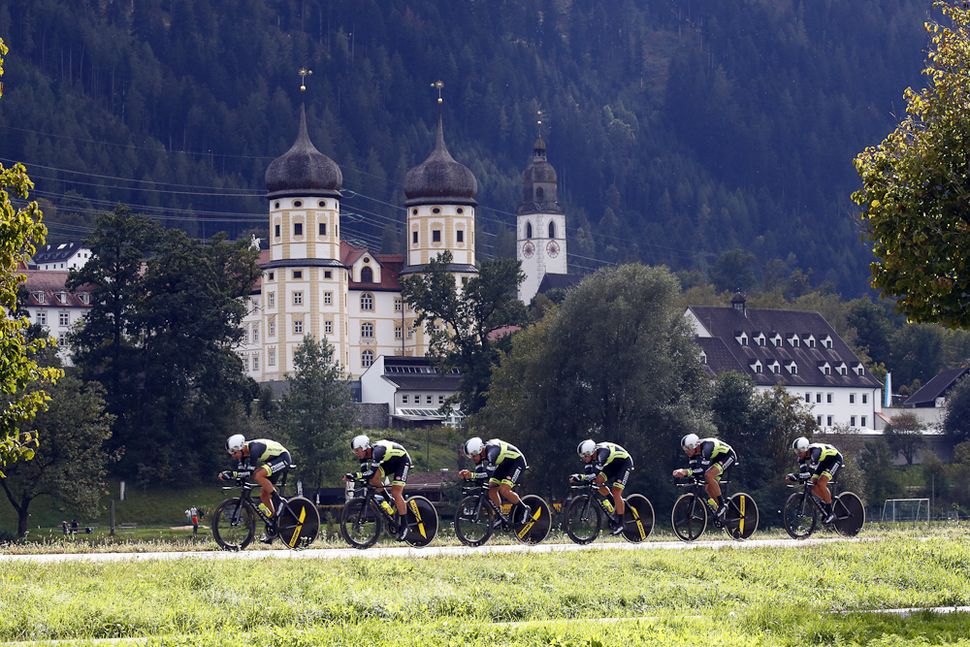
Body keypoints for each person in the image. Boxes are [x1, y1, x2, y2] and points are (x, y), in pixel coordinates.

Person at [219, 434, 291, 543]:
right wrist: (232, 477)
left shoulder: (254, 449)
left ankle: (279, 500)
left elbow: (249, 473)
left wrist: (231, 474)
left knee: (258, 475)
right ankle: (274, 524)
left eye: (234, 453)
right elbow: (241, 474)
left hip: (283, 457)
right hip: (273, 461)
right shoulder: (242, 456)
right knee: (264, 496)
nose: (233, 456)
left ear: (241, 448)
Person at [343, 435, 412, 541]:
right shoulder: (363, 456)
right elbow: (365, 473)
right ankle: (389, 499)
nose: (356, 453)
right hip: (390, 462)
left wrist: (355, 475)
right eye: (354, 451)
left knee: (396, 492)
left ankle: (405, 526)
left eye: (357, 450)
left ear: (364, 447)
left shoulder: (377, 451)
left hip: (402, 461)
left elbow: (369, 472)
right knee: (373, 479)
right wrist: (357, 477)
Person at [458, 437, 530, 525]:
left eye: (474, 456)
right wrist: (469, 477)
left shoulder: (492, 453)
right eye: (471, 457)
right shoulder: (479, 455)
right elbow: (479, 473)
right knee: (491, 489)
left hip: (517, 462)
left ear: (480, 451)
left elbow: (488, 474)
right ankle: (501, 516)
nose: (473, 459)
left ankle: (525, 508)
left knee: (504, 490)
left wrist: (471, 475)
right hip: (504, 465)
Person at [574, 439, 634, 535]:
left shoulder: (603, 454)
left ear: (591, 452)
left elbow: (594, 473)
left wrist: (580, 477)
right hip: (612, 464)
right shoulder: (590, 456)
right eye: (582, 457)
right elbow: (589, 475)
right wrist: (581, 479)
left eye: (585, 456)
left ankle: (621, 524)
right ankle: (614, 503)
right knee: (597, 481)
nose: (584, 459)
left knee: (616, 491)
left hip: (624, 463)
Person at [672, 433, 737, 520]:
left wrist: (685, 472)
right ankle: (723, 510)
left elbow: (702, 471)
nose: (686, 452)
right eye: (685, 449)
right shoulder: (693, 453)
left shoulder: (706, 448)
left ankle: (722, 505)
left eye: (688, 449)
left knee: (708, 475)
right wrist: (680, 475)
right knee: (708, 488)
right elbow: (694, 469)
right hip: (716, 459)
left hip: (728, 456)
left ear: (696, 446)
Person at [787, 437, 844, 524]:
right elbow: (804, 473)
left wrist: (795, 476)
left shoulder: (815, 453)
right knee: (812, 484)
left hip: (835, 459)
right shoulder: (801, 458)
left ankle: (830, 512)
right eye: (796, 451)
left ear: (805, 449)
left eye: (799, 451)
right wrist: (797, 479)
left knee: (821, 483)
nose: (798, 454)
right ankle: (825, 501)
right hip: (824, 461)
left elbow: (809, 473)